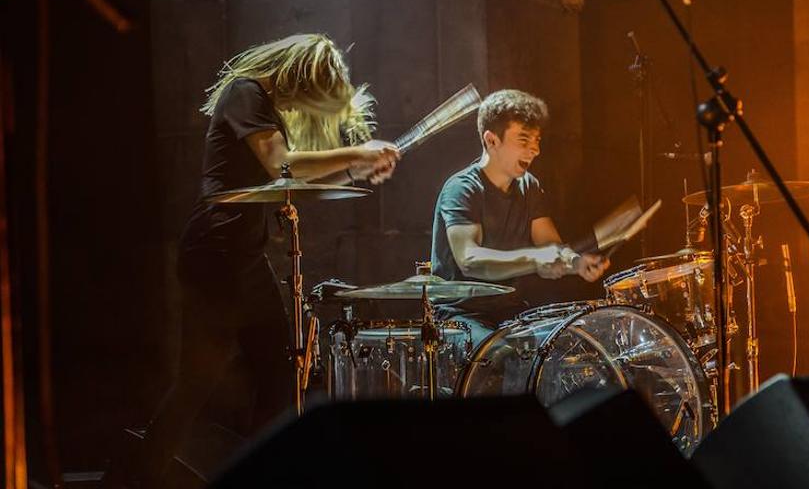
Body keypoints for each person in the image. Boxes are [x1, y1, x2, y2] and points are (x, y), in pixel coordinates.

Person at [116, 33, 399, 487]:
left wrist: (355, 168)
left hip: (242, 255)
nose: (304, 105)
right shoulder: (245, 92)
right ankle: (134, 479)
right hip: (216, 250)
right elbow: (282, 164)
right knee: (199, 380)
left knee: (278, 376)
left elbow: (291, 177)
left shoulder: (264, 106)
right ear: (299, 75)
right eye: (309, 94)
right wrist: (356, 154)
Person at [429, 89, 609, 335]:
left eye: (537, 140)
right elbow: (470, 262)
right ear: (492, 141)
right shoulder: (461, 189)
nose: (535, 150)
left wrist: (575, 263)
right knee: (499, 352)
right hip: (459, 315)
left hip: (508, 311)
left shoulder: (528, 186)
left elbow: (551, 246)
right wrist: (535, 260)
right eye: (524, 140)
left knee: (566, 341)